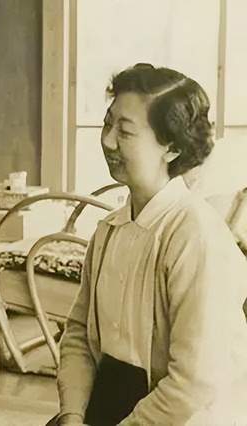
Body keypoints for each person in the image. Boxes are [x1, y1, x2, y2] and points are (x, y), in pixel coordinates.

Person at [54, 64, 247, 425]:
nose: (108, 140)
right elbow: (78, 335)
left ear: (171, 147)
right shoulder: (108, 230)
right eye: (107, 124)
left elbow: (194, 383)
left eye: (125, 131)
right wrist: (72, 413)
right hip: (110, 403)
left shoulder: (196, 236)